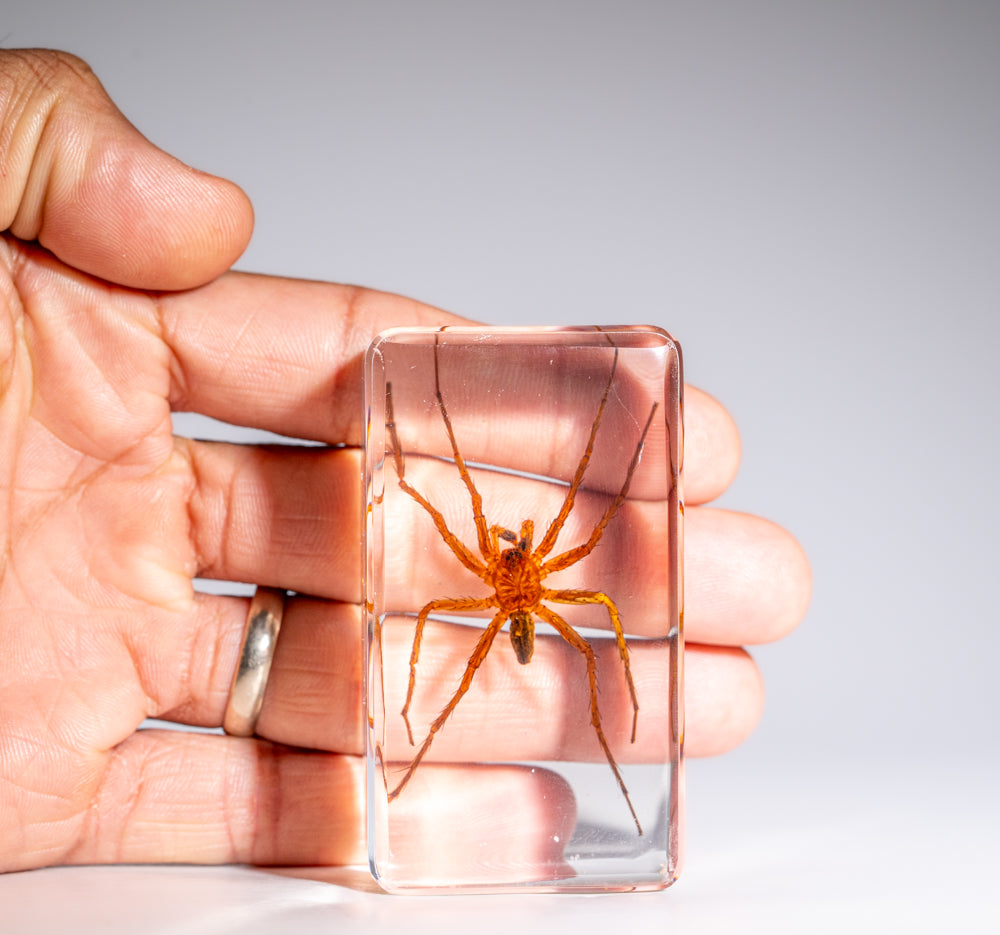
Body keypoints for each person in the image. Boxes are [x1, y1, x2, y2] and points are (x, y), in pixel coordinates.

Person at [0, 49, 810, 874]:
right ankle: (426, 756)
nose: (515, 550)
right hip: (519, 615)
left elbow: (578, 547)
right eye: (514, 553)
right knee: (471, 540)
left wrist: (613, 420)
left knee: (560, 562)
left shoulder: (517, 573)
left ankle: (617, 767)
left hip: (521, 617)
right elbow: (457, 559)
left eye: (515, 553)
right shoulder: (514, 569)